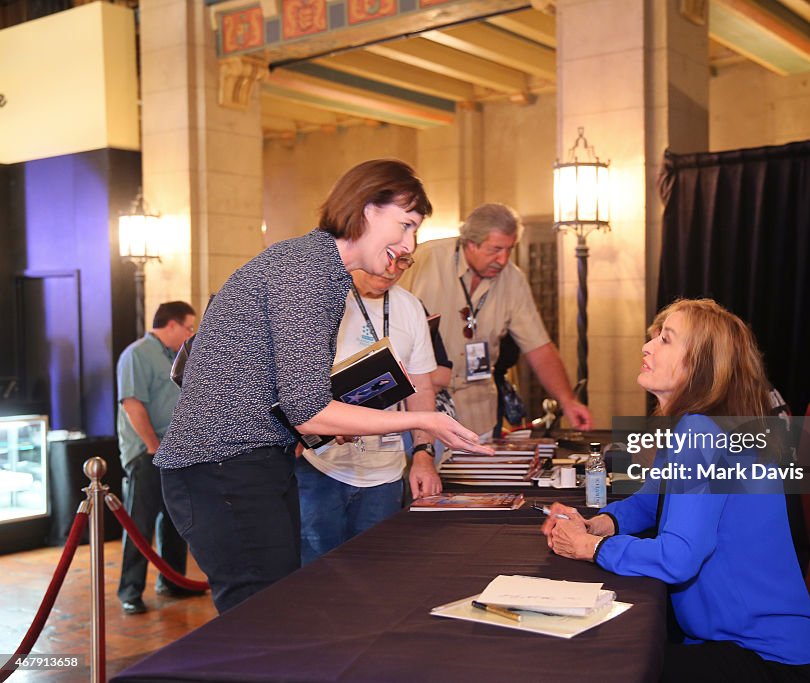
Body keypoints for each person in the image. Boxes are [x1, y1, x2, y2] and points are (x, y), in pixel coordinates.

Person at [155, 159, 490, 614]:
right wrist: (425, 419)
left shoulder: (320, 271)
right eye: (406, 225)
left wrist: (337, 425)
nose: (409, 244)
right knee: (263, 620)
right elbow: (308, 408)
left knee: (281, 612)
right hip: (222, 470)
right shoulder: (306, 272)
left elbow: (285, 397)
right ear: (367, 209)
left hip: (250, 465)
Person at [541, 299, 810, 682]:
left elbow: (679, 558)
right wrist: (601, 525)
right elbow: (648, 502)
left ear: (700, 365)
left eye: (666, 340)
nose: (647, 346)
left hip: (762, 659)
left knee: (596, 665)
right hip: (740, 644)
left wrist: (591, 548)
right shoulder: (699, 426)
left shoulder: (701, 432)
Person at [296, 253, 442, 564]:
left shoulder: (410, 306)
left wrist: (423, 454)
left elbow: (422, 387)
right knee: (312, 578)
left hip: (385, 472)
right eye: (388, 257)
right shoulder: (323, 301)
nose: (393, 270)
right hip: (320, 467)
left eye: (404, 262)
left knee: (377, 576)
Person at [403, 203, 592, 436]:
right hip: (424, 410)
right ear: (470, 243)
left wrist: (567, 400)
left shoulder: (513, 279)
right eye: (495, 249)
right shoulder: (423, 260)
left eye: (509, 249)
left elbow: (539, 347)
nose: (503, 260)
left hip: (479, 413)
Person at [115, 301, 201, 615]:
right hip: (147, 453)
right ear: (171, 325)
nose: (191, 333)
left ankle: (173, 580)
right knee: (140, 524)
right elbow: (132, 404)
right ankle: (130, 591)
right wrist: (153, 445)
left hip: (176, 450)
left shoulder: (178, 355)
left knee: (177, 522)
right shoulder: (137, 354)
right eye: (189, 327)